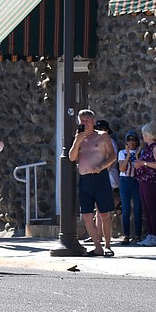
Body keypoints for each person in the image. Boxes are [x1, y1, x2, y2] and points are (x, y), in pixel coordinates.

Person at [68, 109, 117, 256]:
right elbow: (71, 157)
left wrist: (102, 166)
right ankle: (97, 246)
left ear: (93, 121)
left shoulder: (102, 136)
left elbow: (112, 155)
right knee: (87, 216)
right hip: (85, 179)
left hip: (100, 178)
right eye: (82, 121)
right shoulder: (79, 139)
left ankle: (107, 245)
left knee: (104, 214)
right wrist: (77, 141)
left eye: (87, 120)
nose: (85, 123)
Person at [134, 122, 156, 246]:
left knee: (151, 208)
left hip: (151, 180)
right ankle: (150, 234)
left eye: (144, 134)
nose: (143, 136)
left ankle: (155, 235)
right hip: (143, 180)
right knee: (146, 208)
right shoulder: (147, 147)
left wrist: (143, 164)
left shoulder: (155, 147)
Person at [117, 129, 144, 244]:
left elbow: (141, 168)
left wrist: (137, 156)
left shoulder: (141, 152)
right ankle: (126, 235)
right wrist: (128, 155)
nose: (131, 142)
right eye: (129, 139)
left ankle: (138, 235)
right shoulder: (122, 153)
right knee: (126, 208)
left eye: (134, 139)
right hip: (125, 180)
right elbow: (121, 168)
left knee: (138, 207)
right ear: (126, 142)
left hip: (136, 180)